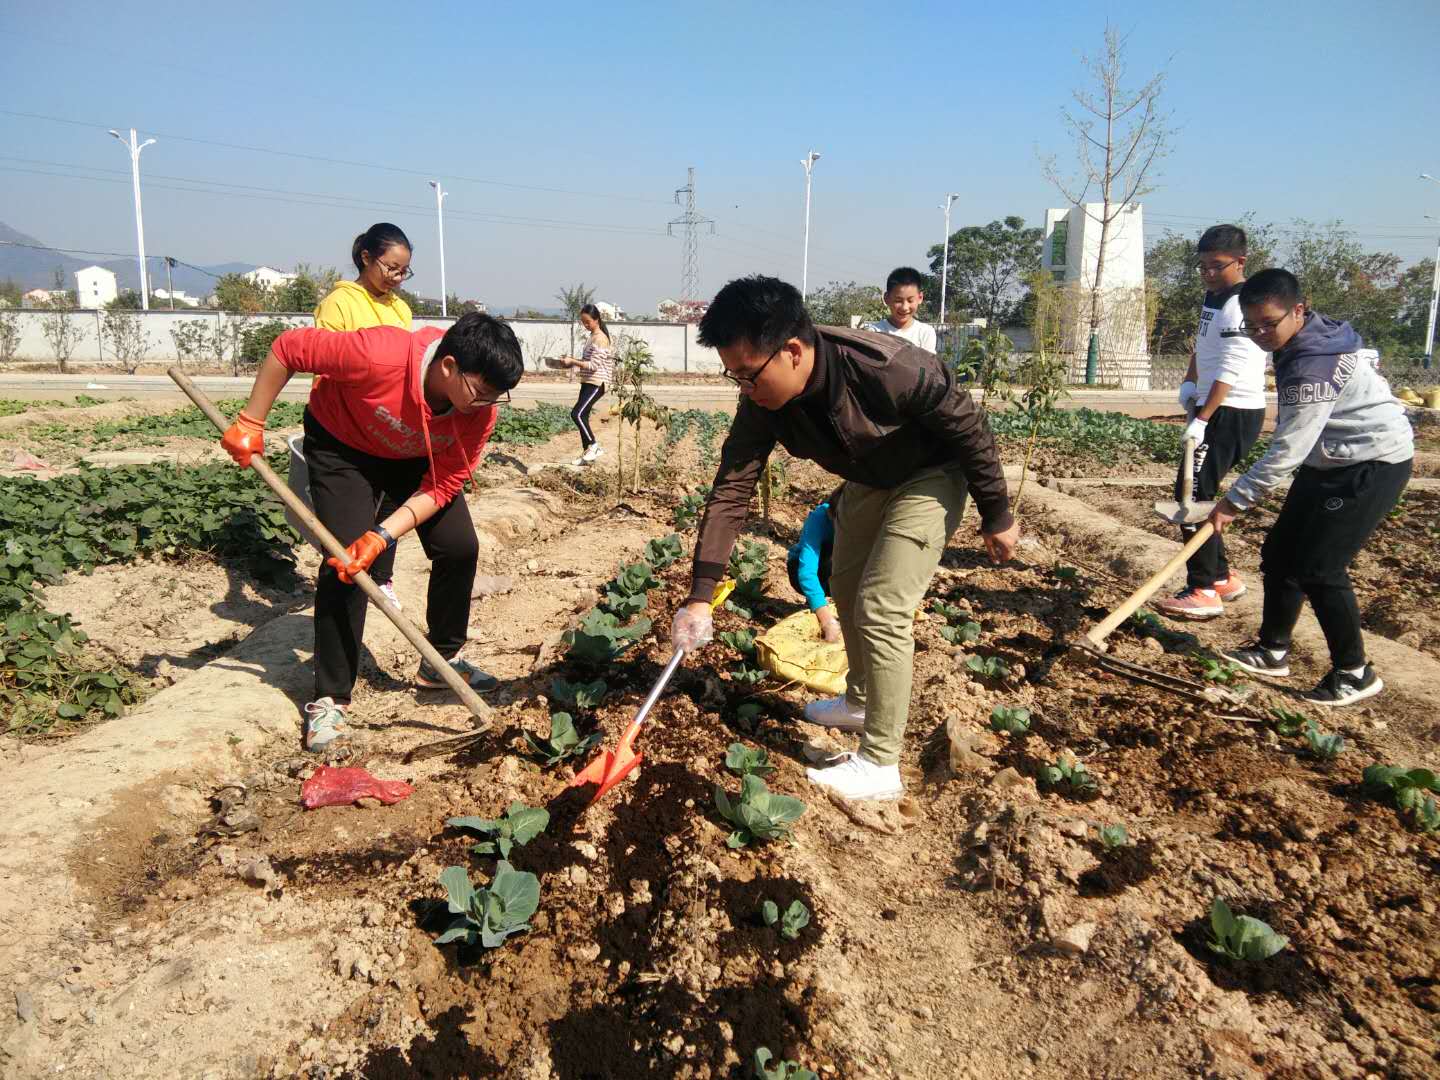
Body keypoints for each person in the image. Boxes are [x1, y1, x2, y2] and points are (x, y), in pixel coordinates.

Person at [671, 276, 1017, 801]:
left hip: (930, 474)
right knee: (847, 588)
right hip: (867, 479)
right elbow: (731, 490)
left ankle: (880, 762)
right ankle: (858, 701)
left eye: (747, 374)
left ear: (791, 351)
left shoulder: (889, 368)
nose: (743, 387)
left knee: (882, 606)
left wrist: (996, 512)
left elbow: (968, 425)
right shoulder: (763, 403)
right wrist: (701, 595)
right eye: (732, 375)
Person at [220, 313, 525, 750]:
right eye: (481, 392)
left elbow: (442, 486)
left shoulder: (477, 411)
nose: (487, 404)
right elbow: (287, 348)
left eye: (497, 396)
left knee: (459, 546)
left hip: (418, 456)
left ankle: (441, 659)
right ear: (448, 366)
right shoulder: (377, 355)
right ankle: (330, 698)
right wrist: (252, 420)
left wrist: (383, 533)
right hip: (344, 449)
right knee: (346, 565)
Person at [1208, 268, 1413, 707]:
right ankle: (1272, 649)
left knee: (1320, 567)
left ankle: (1354, 672)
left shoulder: (1311, 366)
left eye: (1269, 324)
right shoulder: (1307, 338)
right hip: (1330, 456)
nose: (1261, 334)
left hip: (1370, 462)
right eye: (1252, 325)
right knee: (1281, 552)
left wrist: (1234, 500)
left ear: (1298, 310)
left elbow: (1287, 450)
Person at [1156, 225, 1269, 621]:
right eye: (1202, 266)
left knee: (1192, 495)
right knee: (1197, 489)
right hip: (1213, 404)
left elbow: (1232, 366)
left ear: (1241, 261)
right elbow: (1204, 346)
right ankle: (1221, 578)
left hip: (1232, 409)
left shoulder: (1241, 303)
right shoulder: (1216, 297)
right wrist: (1190, 381)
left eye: (1216, 266)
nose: (1207, 273)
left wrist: (1204, 417)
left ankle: (1202, 588)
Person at [310, 223, 416, 611]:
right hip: (347, 427)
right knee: (352, 522)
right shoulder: (340, 303)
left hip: (387, 425)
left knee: (391, 505)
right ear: (366, 258)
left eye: (404, 271)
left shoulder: (399, 308)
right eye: (391, 268)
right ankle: (351, 588)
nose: (397, 277)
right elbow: (325, 363)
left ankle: (383, 577)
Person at [554, 303, 614, 465]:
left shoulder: (601, 339)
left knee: (577, 414)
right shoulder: (592, 337)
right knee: (583, 416)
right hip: (587, 381)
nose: (585, 325)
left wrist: (573, 361)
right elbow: (587, 362)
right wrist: (571, 363)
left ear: (597, 319)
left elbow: (594, 366)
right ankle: (587, 455)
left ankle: (594, 446)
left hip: (597, 383)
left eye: (588, 321)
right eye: (583, 322)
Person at [787, 493, 841, 642]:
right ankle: (817, 601)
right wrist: (826, 619)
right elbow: (807, 571)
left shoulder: (865, 520)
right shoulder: (820, 518)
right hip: (802, 567)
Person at [862, 267, 937, 353]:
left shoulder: (925, 333)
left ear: (920, 298)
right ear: (886, 298)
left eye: (910, 300)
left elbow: (927, 365)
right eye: (898, 301)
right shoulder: (874, 332)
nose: (904, 307)